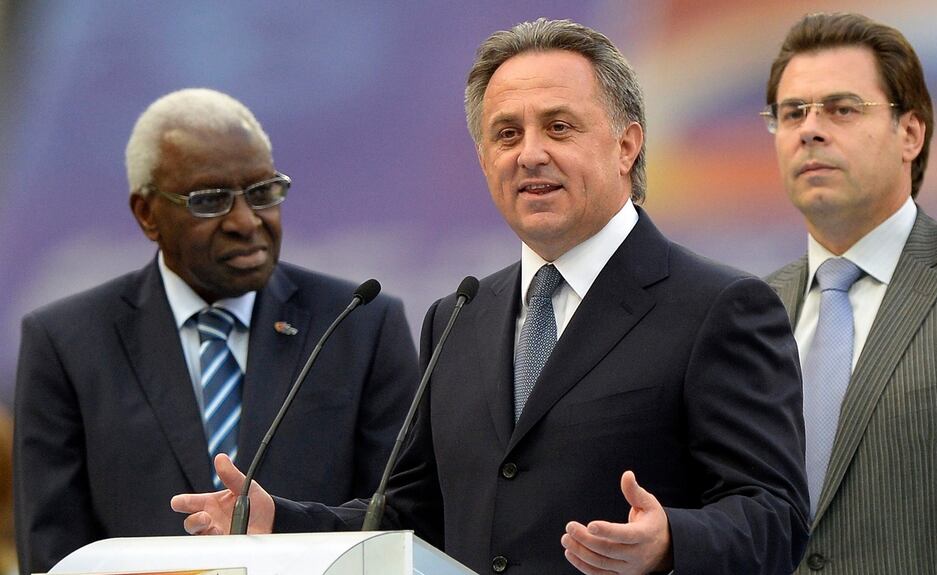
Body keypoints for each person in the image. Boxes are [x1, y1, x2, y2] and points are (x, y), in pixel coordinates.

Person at [173, 20, 809, 574]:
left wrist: (673, 541)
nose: (530, 154)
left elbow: (776, 517)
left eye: (558, 127)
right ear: (483, 159)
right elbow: (410, 517)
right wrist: (281, 521)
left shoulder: (718, 306)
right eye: (506, 134)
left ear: (627, 144)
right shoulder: (459, 317)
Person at [13, 88, 419, 574]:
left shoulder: (360, 322)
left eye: (263, 192)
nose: (247, 222)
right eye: (210, 200)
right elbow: (53, 553)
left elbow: (397, 525)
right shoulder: (65, 341)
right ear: (147, 214)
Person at [760, 12, 937, 574]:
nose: (810, 129)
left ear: (911, 132)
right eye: (792, 113)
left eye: (842, 109)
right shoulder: (749, 310)